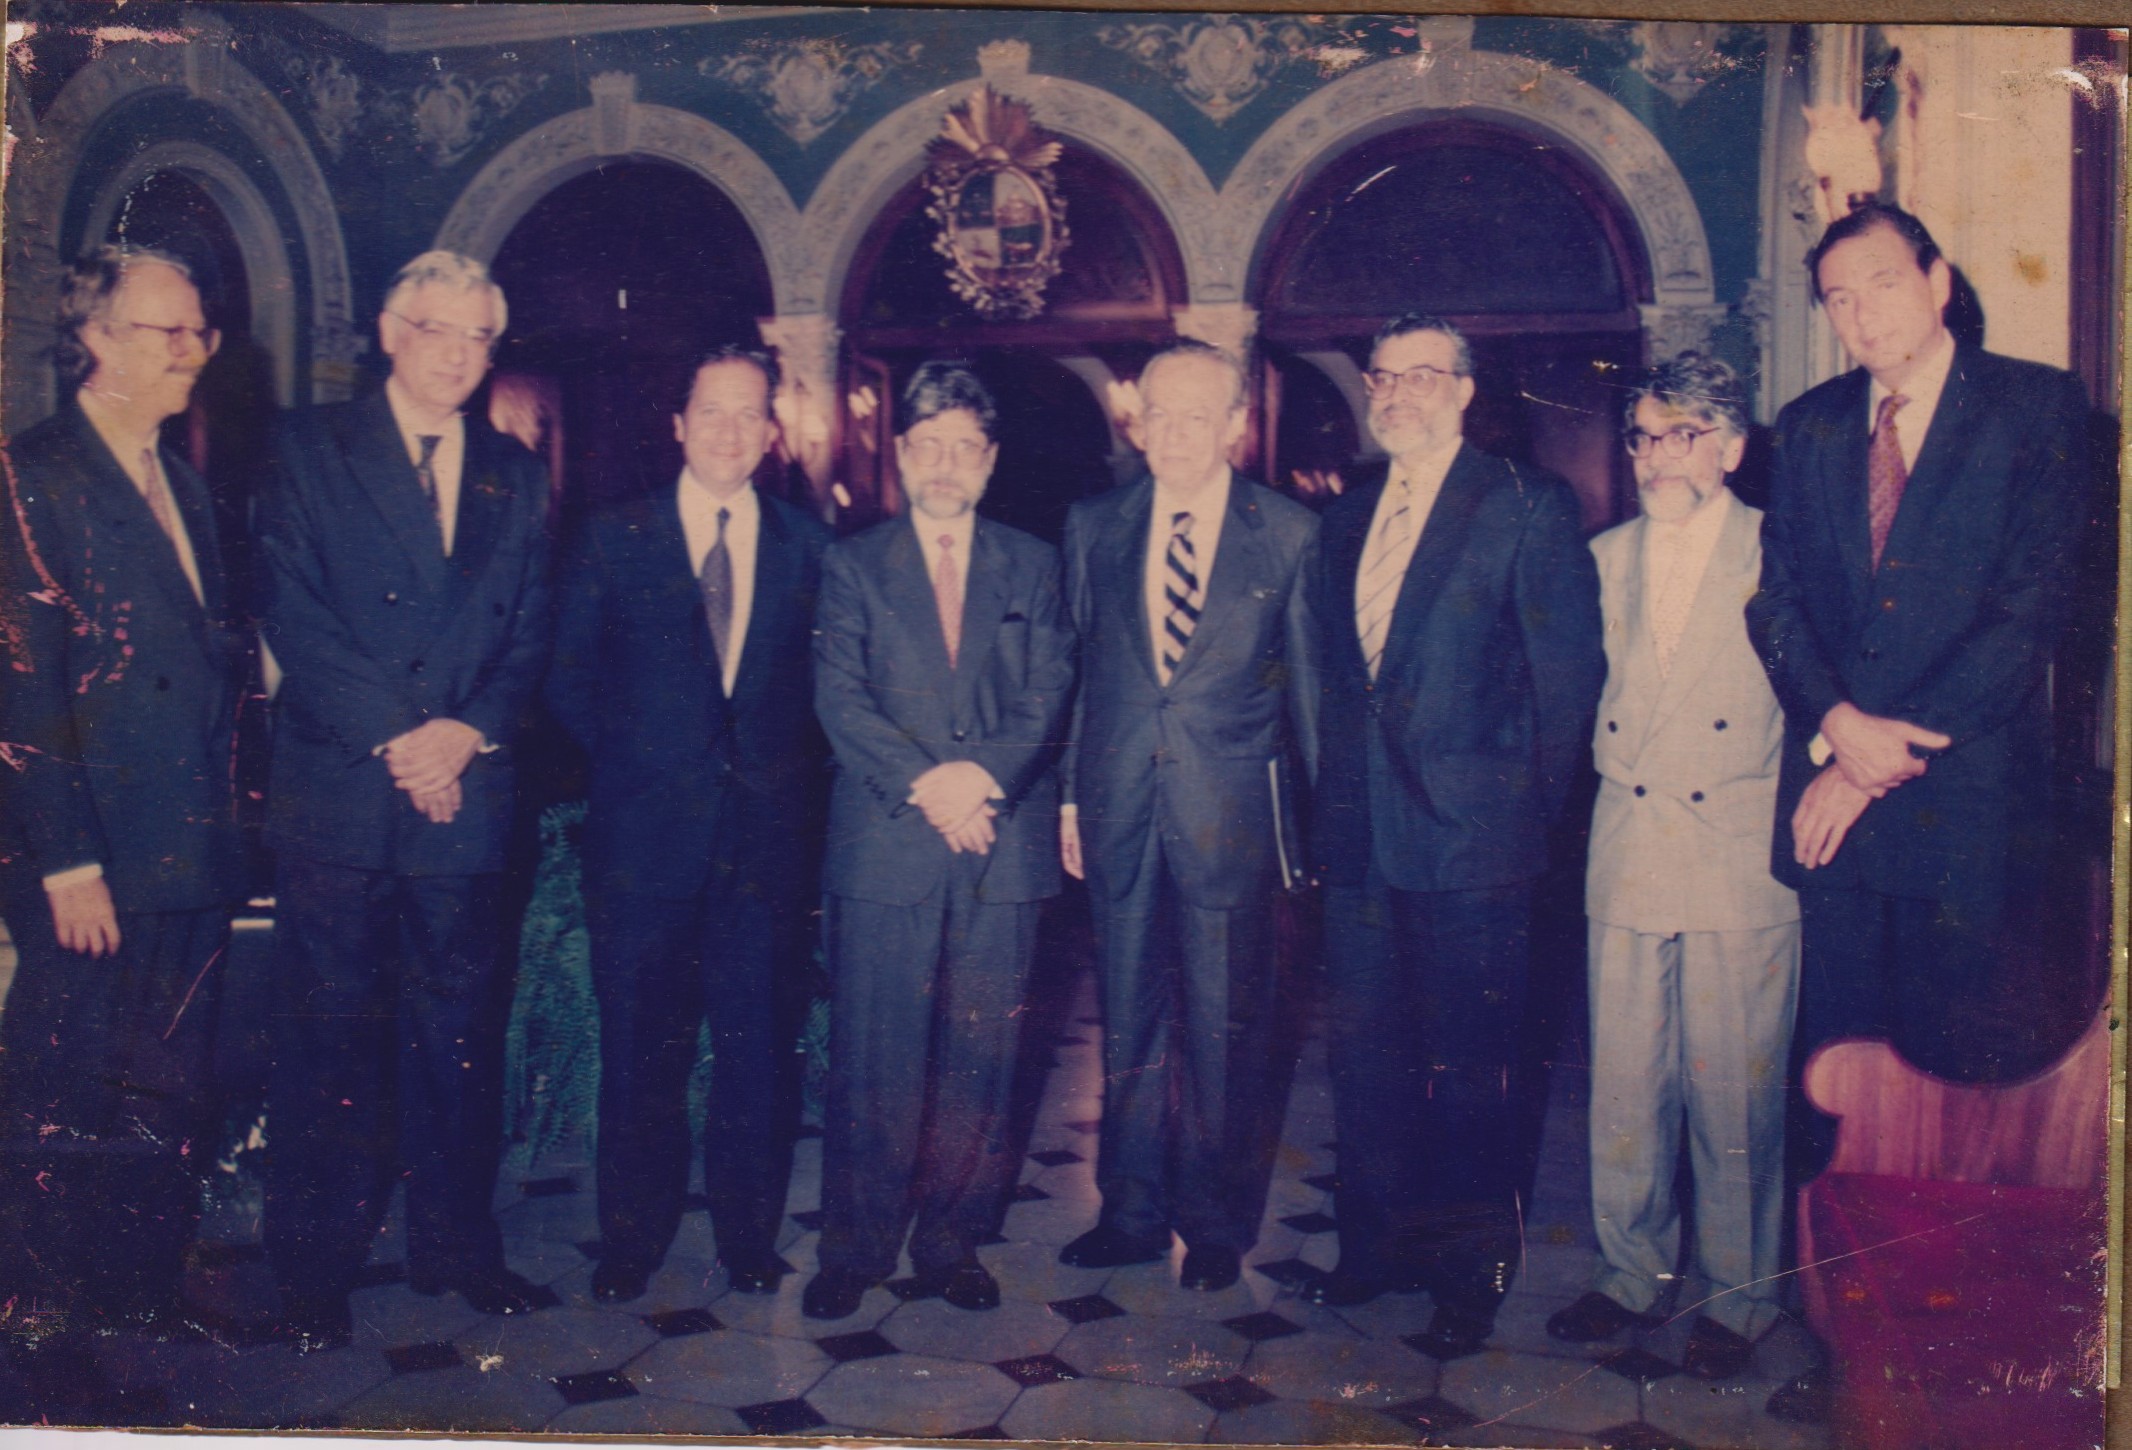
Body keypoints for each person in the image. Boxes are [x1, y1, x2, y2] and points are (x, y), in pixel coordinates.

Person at [257, 251, 553, 1350]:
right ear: (390, 329)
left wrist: (459, 736)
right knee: (328, 1038)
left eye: (482, 338)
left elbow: (528, 634)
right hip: (344, 792)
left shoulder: (514, 474)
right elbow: (293, 608)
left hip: (463, 796)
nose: (463, 357)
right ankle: (313, 1267)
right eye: (442, 332)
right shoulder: (306, 449)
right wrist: (400, 734)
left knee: (458, 1034)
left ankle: (457, 1247)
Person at [1307, 315, 1604, 1358]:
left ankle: (1465, 1279)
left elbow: (1565, 684)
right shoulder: (1340, 519)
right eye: (1382, 376)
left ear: (1465, 390)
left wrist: (1515, 822)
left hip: (1475, 850)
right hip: (1358, 848)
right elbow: (1327, 686)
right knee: (1365, 1063)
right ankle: (1370, 1251)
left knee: (1472, 1074)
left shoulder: (1524, 504)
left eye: (1422, 375)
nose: (1397, 393)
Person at [1747, 202, 2092, 1101]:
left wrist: (1862, 764)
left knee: (1957, 1095)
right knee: (1835, 1089)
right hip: (1834, 835)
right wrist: (1833, 721)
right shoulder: (1809, 424)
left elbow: (2028, 616)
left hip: (1964, 815)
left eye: (1883, 283)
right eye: (1838, 298)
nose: (1862, 313)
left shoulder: (2036, 406)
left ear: (1938, 284)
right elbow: (1775, 603)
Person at [0, 246, 246, 1407]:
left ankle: (139, 1284)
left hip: (187, 845)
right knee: (65, 1088)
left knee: (165, 1079)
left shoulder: (181, 476)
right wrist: (68, 860)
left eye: (199, 331)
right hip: (93, 861)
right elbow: (21, 687)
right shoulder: (34, 474)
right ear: (97, 340)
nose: (195, 350)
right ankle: (39, 1323)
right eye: (171, 332)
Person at [546, 346, 831, 1304]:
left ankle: (750, 1239)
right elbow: (569, 679)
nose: (730, 430)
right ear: (678, 421)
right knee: (640, 1055)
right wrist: (647, 768)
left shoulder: (808, 545)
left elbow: (822, 697)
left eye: (750, 414)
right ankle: (631, 1241)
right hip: (642, 848)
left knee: (757, 1053)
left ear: (773, 431)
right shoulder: (610, 535)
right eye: (712, 410)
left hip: (763, 852)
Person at [1544, 354, 1798, 1381]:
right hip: (1627, 847)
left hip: (1736, 857)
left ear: (1730, 447)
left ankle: (1737, 1297)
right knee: (1624, 1082)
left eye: (1680, 434)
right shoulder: (1600, 556)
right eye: (1643, 436)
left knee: (1732, 1089)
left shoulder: (1781, 551)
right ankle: (1627, 1271)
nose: (1656, 455)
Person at [806, 362, 1075, 1320]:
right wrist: (935, 784)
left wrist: (981, 781)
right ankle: (855, 1246)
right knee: (874, 1057)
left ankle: (953, 1241)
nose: (947, 464)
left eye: (967, 445)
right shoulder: (851, 564)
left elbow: (1049, 694)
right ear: (901, 454)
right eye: (929, 446)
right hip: (890, 846)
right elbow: (841, 699)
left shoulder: (1034, 564)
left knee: (982, 1060)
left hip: (1001, 846)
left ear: (991, 460)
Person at [1054, 340, 1318, 1292]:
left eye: (1195, 415)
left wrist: (1306, 839)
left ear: (1236, 426)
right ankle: (1127, 1210)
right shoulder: (1095, 525)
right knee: (1128, 1017)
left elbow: (1309, 704)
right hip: (1120, 803)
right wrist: (1075, 798)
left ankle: (1214, 1223)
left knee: (1223, 1025)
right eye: (1157, 412)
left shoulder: (1288, 534)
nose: (1172, 432)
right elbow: (1084, 673)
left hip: (1230, 819)